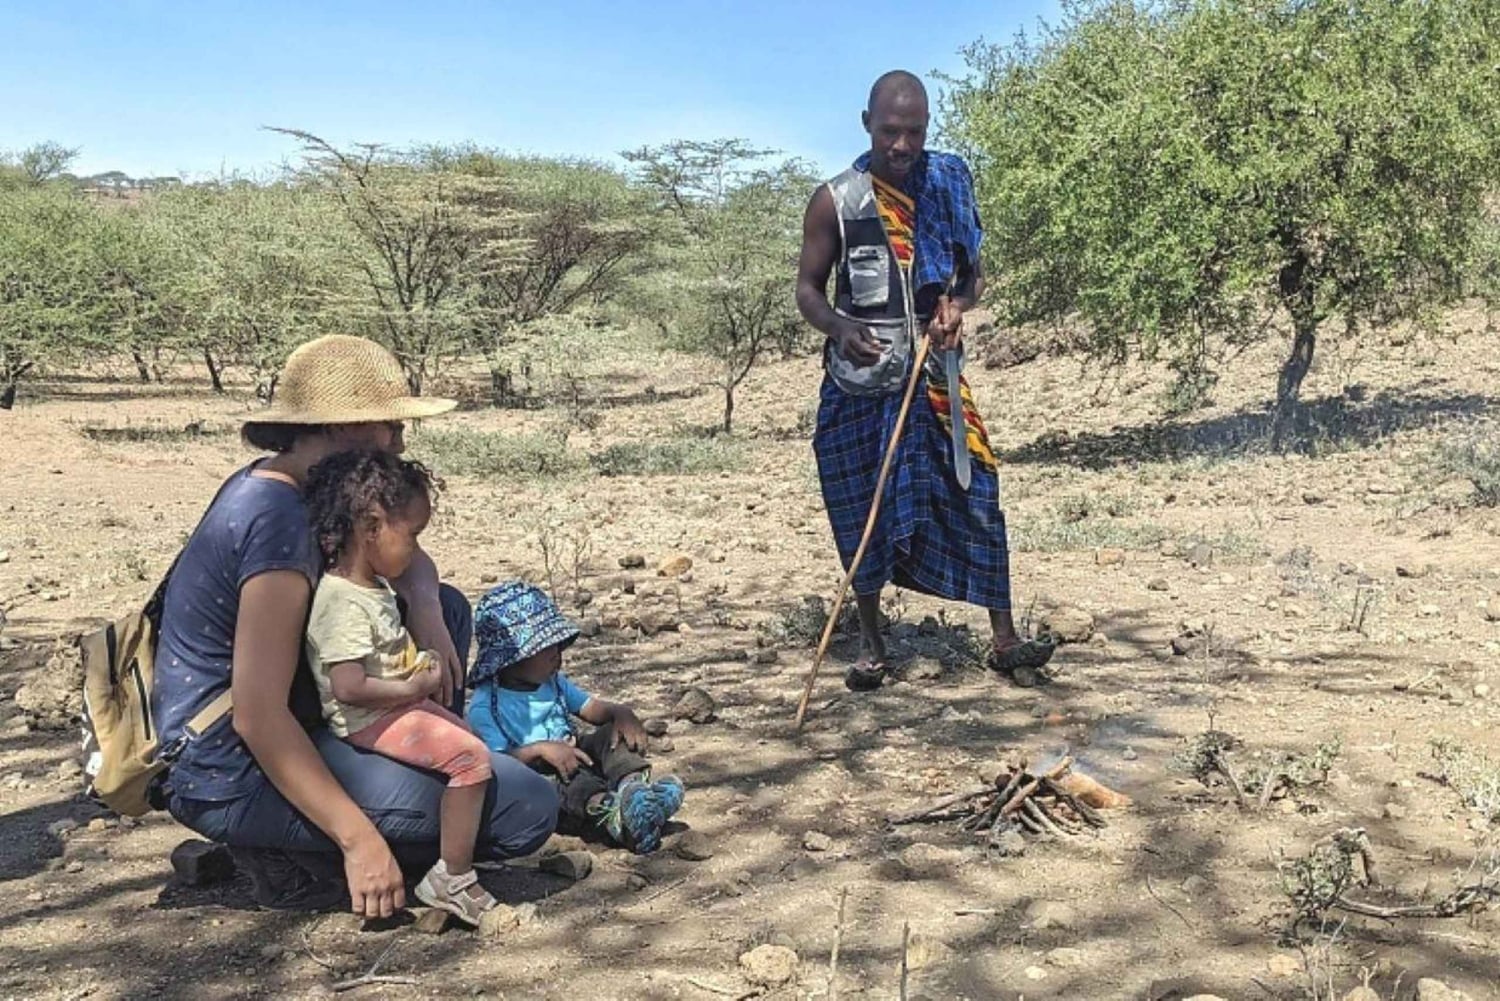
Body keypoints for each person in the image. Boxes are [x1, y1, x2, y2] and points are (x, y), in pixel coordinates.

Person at [152, 335, 558, 917]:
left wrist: (422, 603)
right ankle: (301, 855)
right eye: (389, 426)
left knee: (446, 608)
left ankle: (359, 824)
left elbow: (407, 563)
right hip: (228, 767)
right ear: (341, 428)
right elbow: (257, 713)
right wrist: (358, 840)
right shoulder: (277, 525)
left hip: (292, 722)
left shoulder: (290, 486)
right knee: (523, 807)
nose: (399, 440)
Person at [794, 70, 1056, 691]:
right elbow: (807, 290)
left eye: (915, 132)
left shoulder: (949, 183)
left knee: (978, 490)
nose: (903, 146)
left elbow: (971, 276)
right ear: (867, 125)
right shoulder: (837, 199)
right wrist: (837, 327)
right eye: (890, 132)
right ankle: (874, 647)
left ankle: (1004, 638)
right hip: (861, 381)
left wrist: (956, 307)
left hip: (935, 375)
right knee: (861, 505)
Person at [303, 449, 499, 925]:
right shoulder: (343, 603)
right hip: (370, 718)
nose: (414, 550)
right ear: (371, 527)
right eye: (410, 536)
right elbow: (348, 686)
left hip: (392, 708)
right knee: (470, 759)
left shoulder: (373, 588)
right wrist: (413, 688)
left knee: (469, 741)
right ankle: (452, 876)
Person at [466, 582, 685, 854]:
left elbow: (590, 708)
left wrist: (619, 713)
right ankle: (612, 814)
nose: (557, 655)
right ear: (511, 658)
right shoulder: (486, 706)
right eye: (547, 648)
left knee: (609, 736)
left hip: (574, 750)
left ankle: (635, 790)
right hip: (541, 775)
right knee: (570, 783)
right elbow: (496, 762)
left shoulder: (553, 681)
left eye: (559, 646)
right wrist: (539, 750)